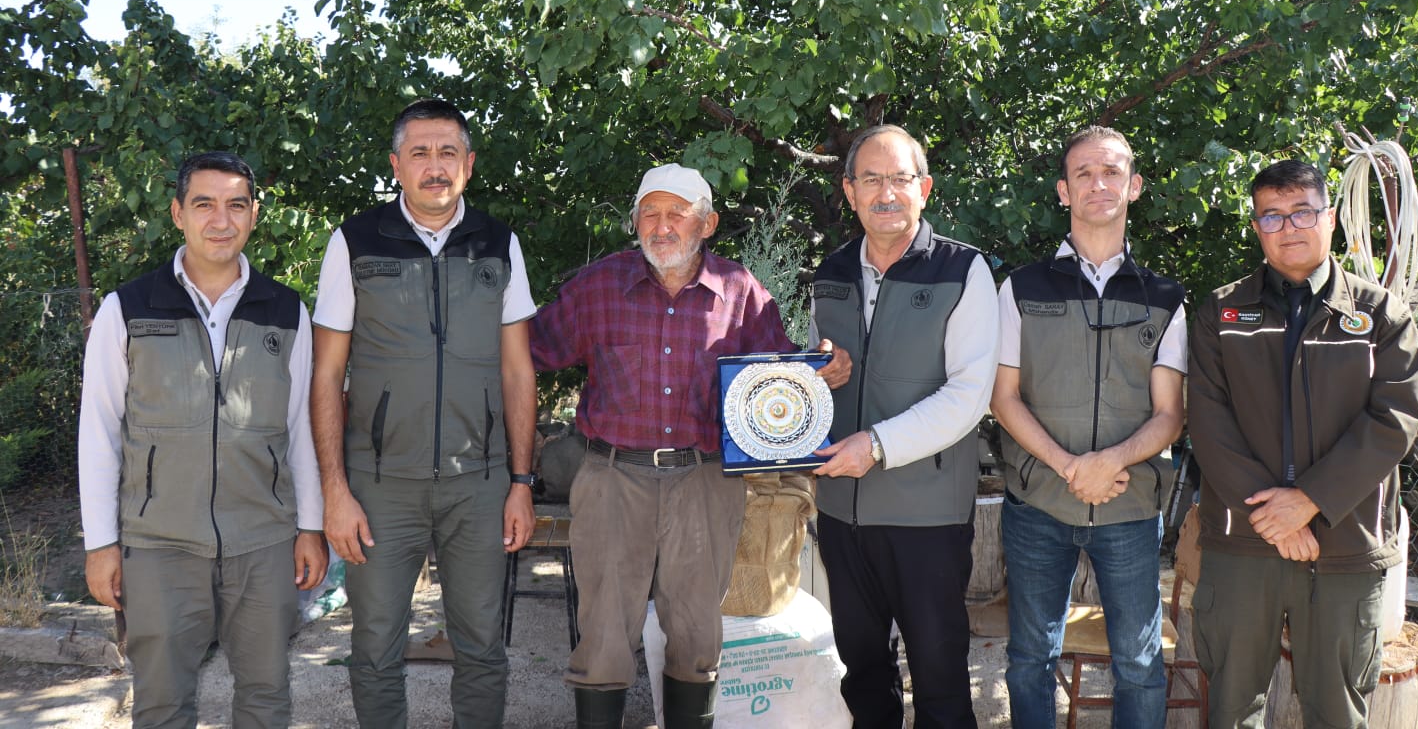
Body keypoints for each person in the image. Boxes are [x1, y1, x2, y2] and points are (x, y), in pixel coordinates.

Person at [530, 162, 850, 729]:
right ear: (635, 223)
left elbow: (779, 375)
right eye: (649, 214)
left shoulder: (741, 292)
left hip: (705, 480)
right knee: (604, 636)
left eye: (676, 214)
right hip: (611, 478)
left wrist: (821, 367)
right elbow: (526, 351)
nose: (661, 226)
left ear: (707, 223)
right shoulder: (599, 286)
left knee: (699, 632)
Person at [310, 99, 538, 729]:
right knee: (376, 649)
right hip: (380, 487)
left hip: (481, 483)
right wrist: (335, 490)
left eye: (446, 153)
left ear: (467, 163)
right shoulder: (354, 240)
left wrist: (521, 483)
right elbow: (326, 374)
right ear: (396, 165)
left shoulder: (498, 242)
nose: (434, 167)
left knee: (482, 648)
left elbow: (519, 370)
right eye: (419, 153)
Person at [79, 151, 327, 729]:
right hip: (159, 544)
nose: (222, 220)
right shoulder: (128, 309)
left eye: (236, 205)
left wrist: (310, 527)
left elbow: (300, 431)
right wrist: (101, 543)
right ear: (178, 214)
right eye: (205, 205)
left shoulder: (287, 311)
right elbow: (98, 432)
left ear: (254, 215)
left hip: (263, 541)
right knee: (163, 704)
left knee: (267, 695)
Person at [1187, 159, 1418, 727]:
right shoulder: (1221, 312)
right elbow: (1207, 422)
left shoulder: (1380, 315)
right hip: (1242, 542)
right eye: (1271, 216)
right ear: (1256, 227)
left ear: (1331, 218)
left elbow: (1393, 419)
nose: (1288, 227)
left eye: (1302, 212)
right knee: (1231, 710)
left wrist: (1310, 500)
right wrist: (1278, 517)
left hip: (1345, 547)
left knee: (1338, 713)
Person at [988, 126, 1188, 729]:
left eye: (1111, 172)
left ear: (1134, 186)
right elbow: (1005, 399)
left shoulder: (1166, 297)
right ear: (1063, 192)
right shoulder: (1021, 288)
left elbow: (1171, 415)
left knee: (1139, 661)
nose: (1098, 184)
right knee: (1028, 659)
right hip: (1037, 506)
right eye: (1083, 174)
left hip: (1129, 511)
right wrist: (1071, 467)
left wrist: (1110, 464)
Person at [809, 124, 1000, 729]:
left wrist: (879, 445)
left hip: (928, 516)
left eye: (899, 178)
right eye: (871, 179)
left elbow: (970, 394)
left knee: (941, 679)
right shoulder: (830, 271)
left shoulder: (964, 271)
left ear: (925, 188)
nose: (885, 193)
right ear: (849, 191)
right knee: (862, 674)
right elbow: (821, 376)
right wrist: (818, 373)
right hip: (842, 511)